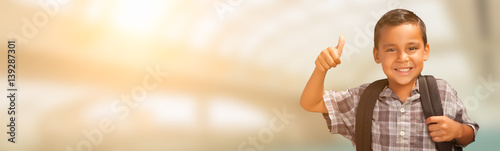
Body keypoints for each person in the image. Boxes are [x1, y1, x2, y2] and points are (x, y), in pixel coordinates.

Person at [299, 9, 479, 150]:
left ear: (426, 51)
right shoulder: (361, 99)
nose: (402, 57)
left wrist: (458, 130)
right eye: (391, 49)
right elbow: (311, 103)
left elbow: (469, 133)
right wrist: (321, 68)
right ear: (377, 55)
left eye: (412, 48)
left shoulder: (441, 91)